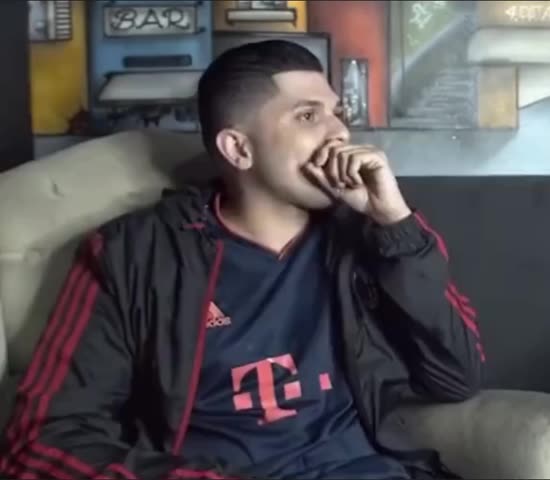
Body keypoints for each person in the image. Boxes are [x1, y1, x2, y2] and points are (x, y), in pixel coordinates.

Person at [0, 40, 484, 480]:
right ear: (238, 148)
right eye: (308, 116)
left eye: (338, 114)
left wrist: (395, 225)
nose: (339, 132)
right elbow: (42, 442)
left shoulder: (370, 234)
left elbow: (456, 377)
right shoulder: (135, 254)